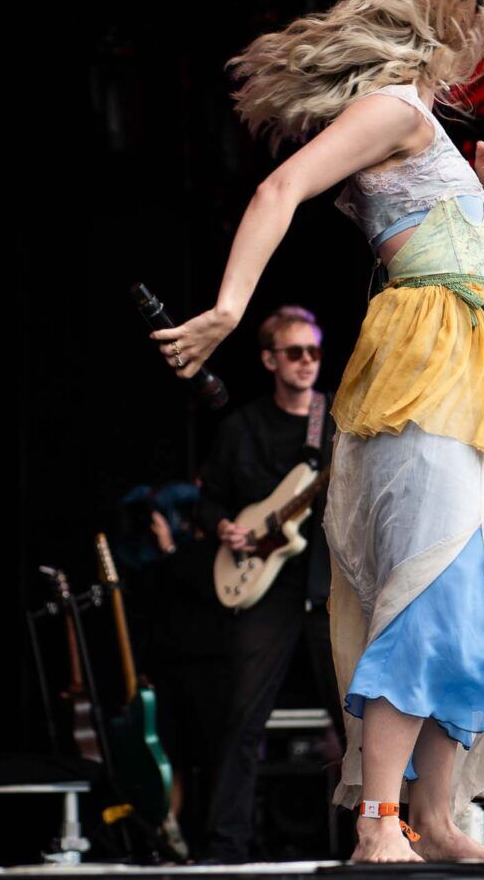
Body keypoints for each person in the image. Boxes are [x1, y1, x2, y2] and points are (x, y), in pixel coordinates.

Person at [150, 0, 484, 862]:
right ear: (437, 36)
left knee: (479, 594)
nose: (470, 68)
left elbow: (450, 253)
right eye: (467, 45)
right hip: (427, 357)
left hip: (472, 358)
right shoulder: (395, 108)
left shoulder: (420, 125)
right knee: (431, 579)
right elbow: (278, 192)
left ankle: (443, 818)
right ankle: (380, 818)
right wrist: (227, 308)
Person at [195, 305, 341, 862]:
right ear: (269, 359)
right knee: (242, 717)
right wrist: (222, 526)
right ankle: (224, 845)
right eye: (295, 352)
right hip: (265, 589)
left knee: (359, 720)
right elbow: (208, 499)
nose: (307, 362)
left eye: (315, 352)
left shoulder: (335, 423)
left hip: (328, 584)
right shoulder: (241, 428)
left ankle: (382, 836)